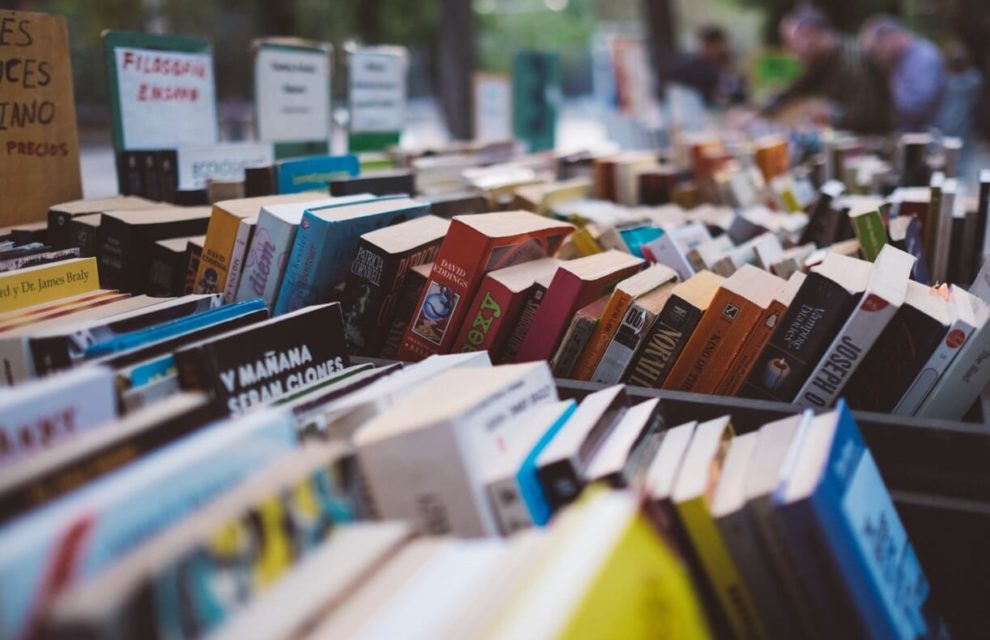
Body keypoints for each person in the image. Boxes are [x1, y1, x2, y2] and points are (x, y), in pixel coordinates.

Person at [764, 7, 892, 133]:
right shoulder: (820, 59)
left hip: (874, 141)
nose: (791, 52)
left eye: (792, 42)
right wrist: (765, 108)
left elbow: (865, 115)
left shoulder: (852, 61)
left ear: (812, 35)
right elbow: (797, 88)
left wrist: (829, 113)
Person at [859, 16, 946, 132]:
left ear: (888, 38)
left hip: (932, 137)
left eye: (875, 50)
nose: (877, 58)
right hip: (913, 136)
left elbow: (918, 105)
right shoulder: (899, 61)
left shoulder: (924, 57)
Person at [665, 25, 747, 109]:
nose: (718, 49)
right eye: (713, 45)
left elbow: (738, 91)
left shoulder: (727, 64)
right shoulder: (697, 67)